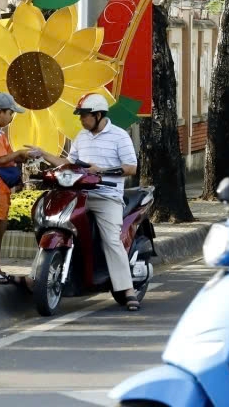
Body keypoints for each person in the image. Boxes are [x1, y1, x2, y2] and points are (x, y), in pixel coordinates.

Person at [29, 93, 140, 309]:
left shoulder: (119, 136)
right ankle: (40, 273)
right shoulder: (82, 136)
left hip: (107, 196)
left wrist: (103, 170)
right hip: (79, 195)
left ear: (98, 115)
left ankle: (126, 289)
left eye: (84, 115)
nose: (81, 119)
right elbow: (68, 163)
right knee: (53, 223)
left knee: (111, 239)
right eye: (80, 116)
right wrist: (42, 154)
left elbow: (131, 167)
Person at [0, 92, 36, 284]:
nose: (12, 117)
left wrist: (23, 155)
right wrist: (19, 153)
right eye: (11, 113)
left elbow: (6, 156)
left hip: (0, 183)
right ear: (0, 112)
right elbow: (2, 159)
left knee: (0, 226)